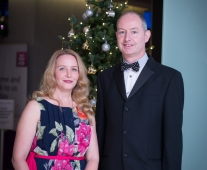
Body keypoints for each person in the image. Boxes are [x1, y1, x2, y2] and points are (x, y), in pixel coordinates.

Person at [96, 11, 184, 170]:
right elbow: (100, 132)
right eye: (122, 32)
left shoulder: (170, 78)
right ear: (116, 36)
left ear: (146, 36)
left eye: (134, 31)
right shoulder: (104, 78)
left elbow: (173, 140)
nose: (127, 38)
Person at [12, 49, 99, 170]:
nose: (69, 74)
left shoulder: (86, 110)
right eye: (62, 68)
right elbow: (18, 158)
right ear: (52, 73)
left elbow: (93, 158)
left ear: (79, 75)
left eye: (74, 69)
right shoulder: (35, 107)